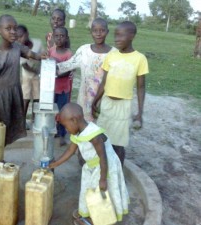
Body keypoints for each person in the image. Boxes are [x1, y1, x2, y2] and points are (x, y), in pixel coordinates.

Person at [49, 103, 129, 225]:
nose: (66, 129)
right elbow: (70, 151)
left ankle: (95, 220)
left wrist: (103, 179)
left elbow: (103, 157)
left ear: (74, 120)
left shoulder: (94, 136)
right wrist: (55, 164)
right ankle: (86, 212)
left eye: (66, 126)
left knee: (98, 194)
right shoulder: (77, 133)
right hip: (92, 166)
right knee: (88, 190)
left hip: (104, 167)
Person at [0, 14, 47, 146]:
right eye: (8, 28)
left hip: (13, 94)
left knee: (8, 127)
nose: (13, 32)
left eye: (15, 28)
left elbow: (29, 53)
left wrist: (41, 56)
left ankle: (0, 156)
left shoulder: (16, 46)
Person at [92, 21, 149, 166]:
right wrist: (94, 102)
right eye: (116, 35)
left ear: (132, 36)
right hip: (107, 105)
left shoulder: (140, 59)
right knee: (102, 140)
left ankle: (118, 173)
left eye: (121, 35)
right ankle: (103, 170)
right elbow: (104, 82)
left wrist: (140, 113)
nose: (117, 39)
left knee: (118, 145)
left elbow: (141, 87)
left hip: (123, 107)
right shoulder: (111, 56)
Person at [57, 18, 116, 122]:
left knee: (101, 130)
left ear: (107, 32)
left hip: (105, 102)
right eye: (95, 30)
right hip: (84, 101)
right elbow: (66, 65)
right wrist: (48, 65)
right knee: (85, 130)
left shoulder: (114, 54)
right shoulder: (84, 50)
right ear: (91, 32)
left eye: (102, 30)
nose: (98, 34)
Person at [50, 26, 73, 146]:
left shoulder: (68, 54)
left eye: (62, 36)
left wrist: (56, 73)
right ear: (53, 37)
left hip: (63, 89)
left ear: (66, 38)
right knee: (52, 111)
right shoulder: (51, 51)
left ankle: (62, 135)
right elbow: (47, 63)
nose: (59, 38)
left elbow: (68, 70)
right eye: (57, 36)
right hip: (51, 89)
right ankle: (55, 131)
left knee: (63, 112)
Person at [16, 24, 43, 129]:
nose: (19, 39)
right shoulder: (19, 48)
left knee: (37, 97)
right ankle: (22, 121)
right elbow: (24, 64)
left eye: (21, 36)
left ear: (27, 34)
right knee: (25, 97)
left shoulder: (37, 43)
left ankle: (34, 120)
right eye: (17, 37)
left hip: (38, 74)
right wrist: (34, 71)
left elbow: (42, 55)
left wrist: (39, 70)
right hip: (26, 74)